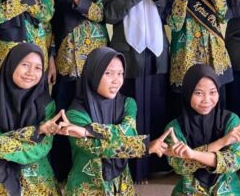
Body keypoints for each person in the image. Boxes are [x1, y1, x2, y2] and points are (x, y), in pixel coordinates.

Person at [102, 0, 172, 183]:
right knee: (129, 111)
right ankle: (131, 167)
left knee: (154, 108)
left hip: (156, 54)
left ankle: (151, 167)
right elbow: (109, 15)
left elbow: (170, 19)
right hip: (128, 56)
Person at [63, 47, 169, 195]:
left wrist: (88, 131)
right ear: (93, 74)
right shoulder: (75, 114)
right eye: (108, 73)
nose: (117, 80)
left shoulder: (128, 104)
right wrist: (145, 146)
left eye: (120, 73)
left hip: (122, 185)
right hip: (87, 187)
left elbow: (129, 134)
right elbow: (99, 147)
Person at [49, 0, 110, 181]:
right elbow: (48, 24)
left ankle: (97, 169)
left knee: (95, 112)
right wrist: (49, 59)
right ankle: (64, 170)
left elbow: (102, 14)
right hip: (65, 59)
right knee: (64, 112)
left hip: (96, 60)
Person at [0, 43, 61, 195]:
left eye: (38, 68)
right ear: (11, 65)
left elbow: (41, 148)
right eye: (25, 64)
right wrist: (36, 131)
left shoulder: (47, 103)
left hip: (36, 178)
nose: (31, 72)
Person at [165, 64, 240, 195]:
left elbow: (233, 162)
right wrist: (222, 142)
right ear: (187, 92)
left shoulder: (231, 120)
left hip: (227, 189)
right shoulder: (174, 128)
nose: (206, 100)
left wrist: (192, 155)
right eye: (198, 93)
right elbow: (179, 165)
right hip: (188, 189)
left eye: (213, 92)